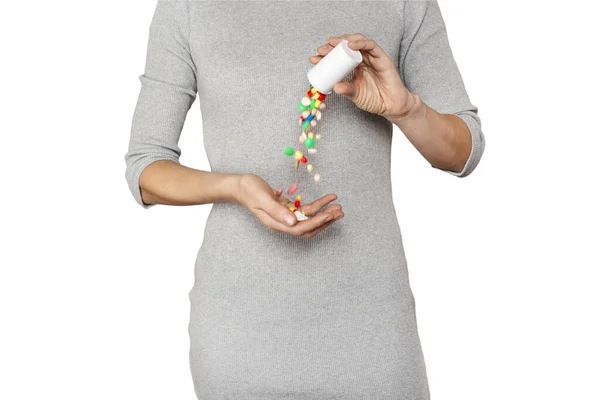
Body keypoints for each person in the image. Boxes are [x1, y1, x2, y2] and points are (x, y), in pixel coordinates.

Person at [124, 0, 485, 398]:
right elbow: (146, 169)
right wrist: (237, 187)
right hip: (240, 333)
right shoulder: (189, 7)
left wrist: (405, 108)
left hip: (372, 330)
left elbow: (462, 152)